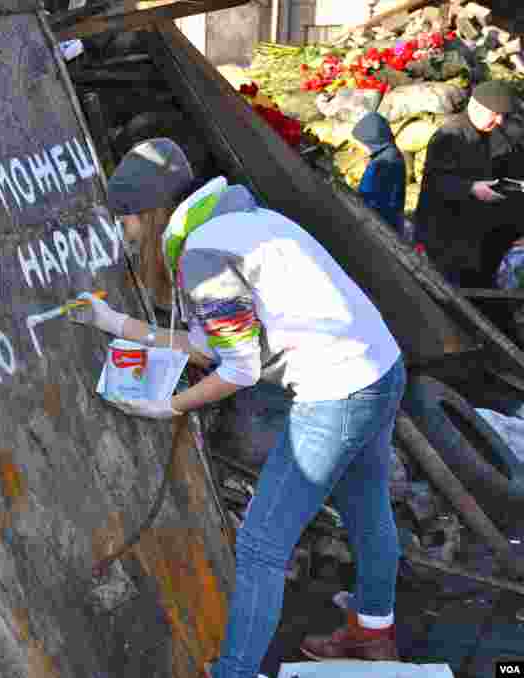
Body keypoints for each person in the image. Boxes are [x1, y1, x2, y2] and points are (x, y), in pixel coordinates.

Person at [72, 138, 407, 678]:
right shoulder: (243, 221)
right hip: (381, 368)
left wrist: (168, 406)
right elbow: (215, 345)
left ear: (150, 214)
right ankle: (373, 634)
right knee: (367, 510)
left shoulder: (203, 254)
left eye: (127, 221)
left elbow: (240, 369)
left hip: (336, 389)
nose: (126, 235)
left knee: (261, 545)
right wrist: (115, 324)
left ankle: (234, 672)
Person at [416, 80, 519, 287]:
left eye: (503, 116)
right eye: (495, 114)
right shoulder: (450, 135)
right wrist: (471, 188)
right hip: (446, 237)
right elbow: (435, 181)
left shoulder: (489, 133)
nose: (499, 121)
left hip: (473, 235)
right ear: (475, 106)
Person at [352, 112, 406, 235]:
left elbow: (369, 200)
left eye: (364, 143)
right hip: (391, 222)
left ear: (373, 142)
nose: (362, 147)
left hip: (380, 228)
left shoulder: (382, 164)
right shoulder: (390, 153)